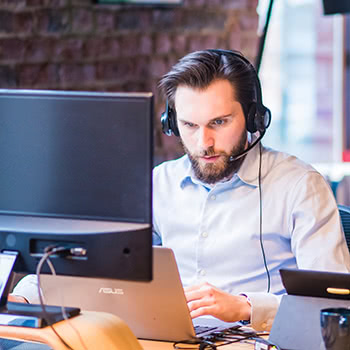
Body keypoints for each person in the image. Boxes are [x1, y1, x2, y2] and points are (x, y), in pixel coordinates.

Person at [152, 49, 350, 332]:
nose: (203, 142)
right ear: (171, 122)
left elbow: (333, 303)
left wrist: (247, 307)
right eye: (189, 125)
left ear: (253, 118)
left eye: (218, 122)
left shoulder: (299, 185)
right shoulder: (160, 184)